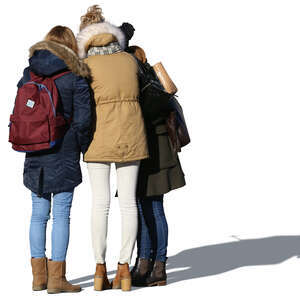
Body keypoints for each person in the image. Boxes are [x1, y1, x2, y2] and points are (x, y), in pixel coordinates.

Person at [77, 5, 148, 292]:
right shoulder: (128, 61)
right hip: (132, 135)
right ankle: (124, 271)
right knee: (128, 202)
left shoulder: (85, 67)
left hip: (98, 138)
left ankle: (98, 271)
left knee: (100, 204)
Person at [18, 26, 92, 293]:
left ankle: (38, 277)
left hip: (34, 149)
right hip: (64, 151)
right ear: (71, 45)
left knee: (38, 215)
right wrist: (81, 146)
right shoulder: (76, 75)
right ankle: (57, 279)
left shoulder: (30, 72)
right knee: (61, 214)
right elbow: (84, 120)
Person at [120, 36, 186, 286]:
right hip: (157, 150)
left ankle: (153, 265)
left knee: (148, 208)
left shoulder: (141, 83)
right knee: (147, 208)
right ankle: (149, 264)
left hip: (149, 150)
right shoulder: (157, 82)